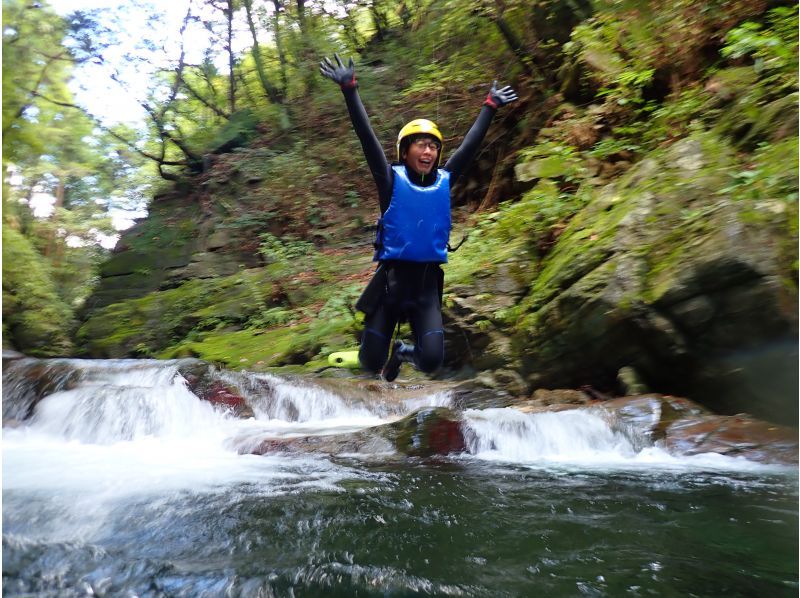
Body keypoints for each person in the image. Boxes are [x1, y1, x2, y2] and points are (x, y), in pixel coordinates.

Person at [320, 54, 518, 381]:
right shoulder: (389, 181)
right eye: (421, 146)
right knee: (370, 363)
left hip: (426, 286)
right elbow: (367, 139)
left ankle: (402, 352)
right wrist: (350, 89)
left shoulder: (445, 179)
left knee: (430, 361)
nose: (428, 152)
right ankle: (376, 356)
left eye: (433, 147)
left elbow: (470, 146)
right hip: (391, 285)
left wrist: (490, 106)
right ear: (405, 151)